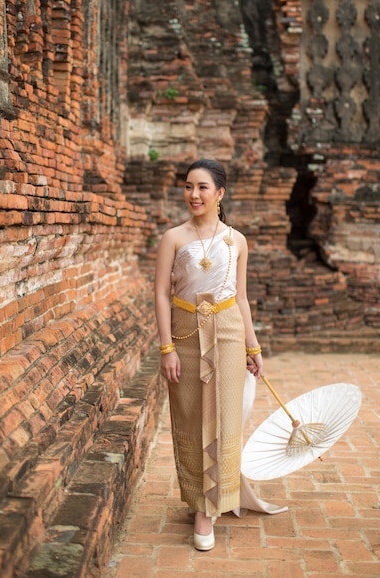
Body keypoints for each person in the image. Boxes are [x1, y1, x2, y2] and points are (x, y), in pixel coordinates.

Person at [154, 159, 286, 552]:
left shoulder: (237, 240)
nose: (194, 195)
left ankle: (213, 505)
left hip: (228, 334)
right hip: (187, 333)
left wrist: (253, 345)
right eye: (188, 187)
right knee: (193, 415)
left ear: (220, 194)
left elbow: (240, 297)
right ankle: (199, 499)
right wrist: (167, 348)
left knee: (226, 418)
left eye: (203, 188)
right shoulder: (173, 238)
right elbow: (161, 293)